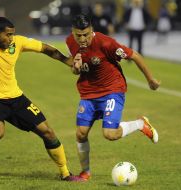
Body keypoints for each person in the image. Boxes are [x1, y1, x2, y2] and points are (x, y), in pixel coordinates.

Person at [0, 7, 83, 188]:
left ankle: (65, 173)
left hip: (16, 98)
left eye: (12, 35)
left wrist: (67, 61)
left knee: (48, 132)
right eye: (8, 35)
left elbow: (45, 49)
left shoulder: (17, 43)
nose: (11, 39)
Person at [66, 14, 160, 181]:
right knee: (80, 134)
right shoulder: (70, 42)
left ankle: (140, 124)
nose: (82, 39)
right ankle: (85, 173)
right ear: (72, 33)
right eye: (78, 35)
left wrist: (150, 79)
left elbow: (134, 55)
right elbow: (76, 69)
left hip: (111, 90)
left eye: (86, 35)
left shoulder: (106, 43)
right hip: (88, 93)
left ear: (92, 31)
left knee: (110, 134)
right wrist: (76, 67)